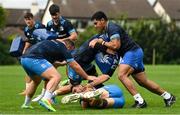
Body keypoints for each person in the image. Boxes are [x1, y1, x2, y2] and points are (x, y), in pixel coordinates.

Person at [89, 11, 176, 108]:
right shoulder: (107, 30)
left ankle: (140, 101)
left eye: (96, 23)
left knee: (122, 75)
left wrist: (102, 42)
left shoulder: (112, 28)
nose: (95, 26)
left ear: (102, 20)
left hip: (132, 52)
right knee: (143, 82)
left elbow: (116, 45)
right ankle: (168, 96)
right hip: (134, 52)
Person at [20, 39, 97, 112]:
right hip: (35, 59)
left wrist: (60, 63)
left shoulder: (53, 44)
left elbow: (51, 63)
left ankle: (26, 104)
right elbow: (74, 65)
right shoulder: (62, 47)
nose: (70, 53)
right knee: (56, 77)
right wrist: (87, 76)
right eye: (71, 50)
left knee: (36, 81)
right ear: (69, 47)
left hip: (24, 59)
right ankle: (46, 99)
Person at [31, 4, 78, 101]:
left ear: (59, 13)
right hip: (55, 52)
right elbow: (47, 37)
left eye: (55, 15)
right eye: (52, 15)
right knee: (49, 72)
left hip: (68, 50)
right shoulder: (49, 24)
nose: (54, 17)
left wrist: (61, 41)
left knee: (71, 75)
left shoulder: (66, 23)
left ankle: (76, 91)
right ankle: (45, 94)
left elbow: (74, 36)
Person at [50, 34, 119, 98]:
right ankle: (52, 94)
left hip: (86, 65)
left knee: (93, 84)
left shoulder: (105, 40)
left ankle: (56, 92)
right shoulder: (104, 41)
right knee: (76, 86)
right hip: (78, 65)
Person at [19, 12, 46, 95]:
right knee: (29, 70)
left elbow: (47, 37)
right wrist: (24, 51)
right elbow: (29, 41)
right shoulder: (26, 30)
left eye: (29, 19)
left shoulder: (40, 26)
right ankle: (27, 90)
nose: (28, 21)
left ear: (32, 19)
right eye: (26, 20)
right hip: (34, 52)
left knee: (45, 72)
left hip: (44, 51)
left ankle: (47, 92)